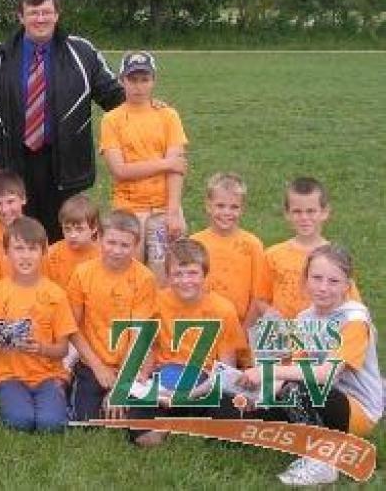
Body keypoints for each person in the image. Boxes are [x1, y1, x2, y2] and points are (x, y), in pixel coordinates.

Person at [0, 0, 124, 242]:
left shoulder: (82, 53)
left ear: (57, 14)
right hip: (14, 163)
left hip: (66, 163)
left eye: (46, 12)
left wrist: (146, 106)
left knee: (67, 238)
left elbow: (115, 98)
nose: (40, 19)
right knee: (21, 240)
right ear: (21, 17)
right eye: (33, 13)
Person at [238, 244, 382, 485]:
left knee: (297, 391)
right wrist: (261, 396)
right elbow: (295, 370)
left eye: (333, 281)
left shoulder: (354, 319)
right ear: (305, 280)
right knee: (261, 407)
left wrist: (266, 371)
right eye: (317, 278)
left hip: (357, 408)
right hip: (321, 397)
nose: (323, 287)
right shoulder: (305, 318)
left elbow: (325, 374)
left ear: (347, 286)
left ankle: (322, 462)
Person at [126, 238, 246, 448]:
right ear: (168, 276)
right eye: (178, 274)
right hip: (165, 380)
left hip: (205, 384)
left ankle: (182, 418)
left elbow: (226, 370)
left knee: (230, 421)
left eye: (192, 273)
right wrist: (143, 377)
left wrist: (187, 395)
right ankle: (176, 421)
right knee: (144, 438)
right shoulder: (156, 302)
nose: (185, 281)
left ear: (204, 274)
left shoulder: (223, 309)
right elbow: (147, 346)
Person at [0, 217, 77, 433]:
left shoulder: (56, 294)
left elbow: (62, 349)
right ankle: (13, 400)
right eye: (19, 249)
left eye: (32, 249)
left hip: (48, 375)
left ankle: (56, 399)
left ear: (44, 252)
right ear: (6, 252)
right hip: (8, 375)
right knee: (20, 421)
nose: (25, 256)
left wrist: (41, 348)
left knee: (50, 424)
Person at [98, 50, 187, 282]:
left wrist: (173, 213)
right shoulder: (111, 120)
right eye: (132, 80)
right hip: (128, 210)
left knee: (163, 276)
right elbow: (120, 170)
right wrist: (165, 163)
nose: (138, 86)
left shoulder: (168, 116)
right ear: (122, 81)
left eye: (144, 79)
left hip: (162, 210)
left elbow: (177, 170)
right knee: (128, 274)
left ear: (153, 80)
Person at [67, 210, 157, 421]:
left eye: (125, 245)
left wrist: (123, 382)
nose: (117, 251)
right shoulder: (82, 273)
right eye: (111, 242)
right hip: (93, 361)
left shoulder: (144, 279)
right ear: (99, 238)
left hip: (131, 363)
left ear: (136, 245)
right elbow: (72, 327)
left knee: (130, 418)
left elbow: (139, 335)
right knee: (87, 419)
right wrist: (98, 367)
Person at [256, 178, 359, 321]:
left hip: (321, 330)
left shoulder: (335, 258)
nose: (304, 217)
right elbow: (261, 298)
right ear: (287, 213)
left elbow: (352, 304)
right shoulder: (272, 255)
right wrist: (270, 314)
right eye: (297, 211)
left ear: (325, 212)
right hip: (283, 330)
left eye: (311, 211)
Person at [190, 173, 264, 330]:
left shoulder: (252, 245)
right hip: (201, 324)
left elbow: (259, 295)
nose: (226, 213)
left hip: (239, 325)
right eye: (220, 206)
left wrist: (244, 331)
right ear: (208, 206)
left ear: (242, 209)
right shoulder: (195, 243)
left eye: (234, 207)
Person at [43, 194, 101, 293]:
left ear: (94, 228)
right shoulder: (52, 254)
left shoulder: (102, 255)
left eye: (79, 229)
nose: (73, 235)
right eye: (67, 229)